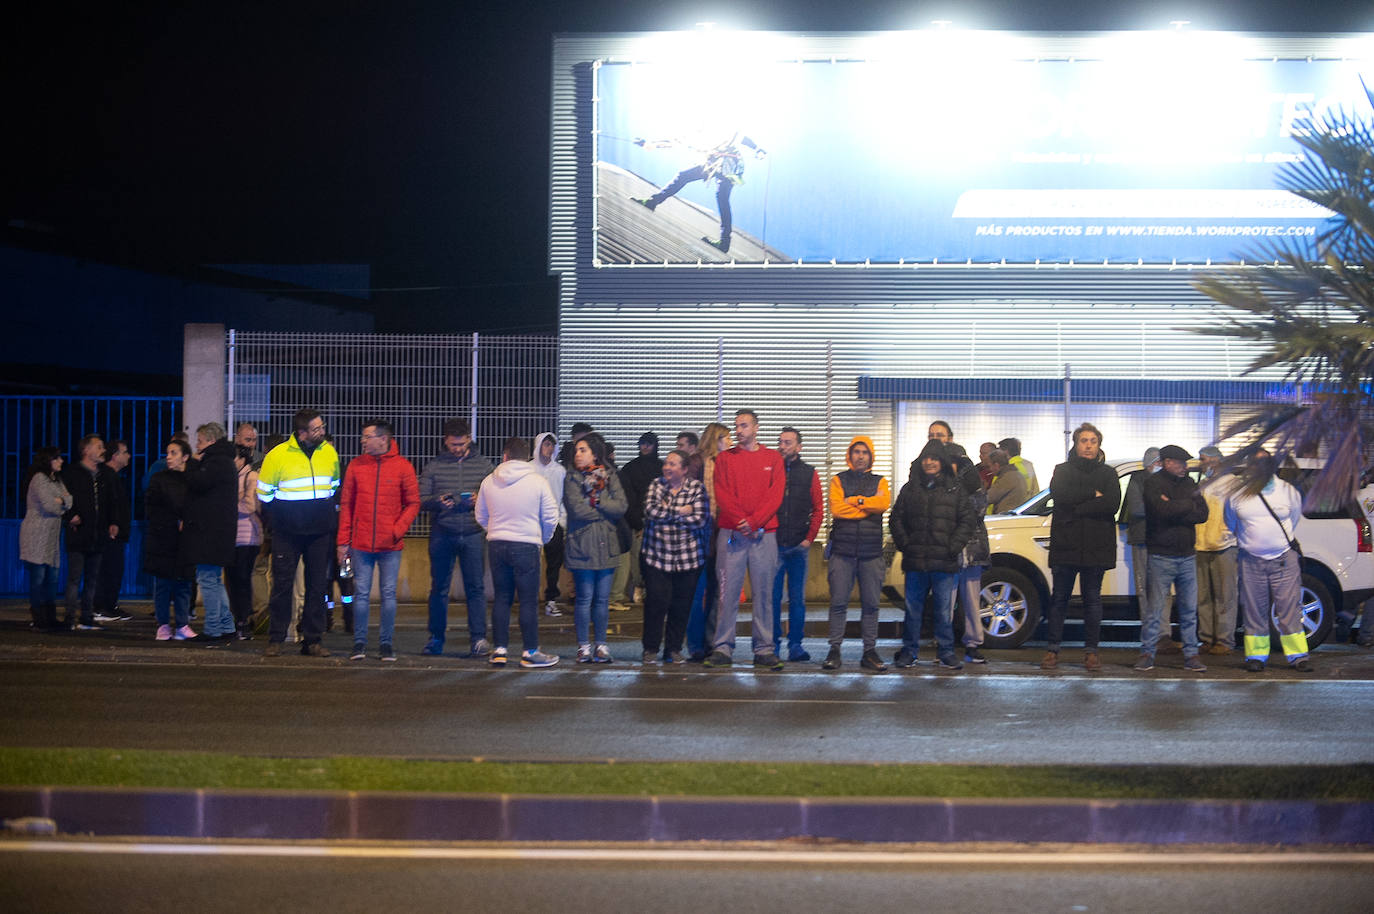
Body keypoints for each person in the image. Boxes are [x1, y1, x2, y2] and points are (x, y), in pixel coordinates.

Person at [705, 410, 785, 670]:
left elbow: (776, 495)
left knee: (764, 593)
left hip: (764, 535)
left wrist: (754, 522)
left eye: (744, 425)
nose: (739, 430)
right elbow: (722, 492)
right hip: (732, 534)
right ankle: (722, 648)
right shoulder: (725, 459)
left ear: (756, 428)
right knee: (727, 594)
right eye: (736, 426)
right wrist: (742, 520)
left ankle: (764, 649)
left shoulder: (773, 458)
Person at [258, 409, 341, 657]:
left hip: (320, 532)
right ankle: (276, 639)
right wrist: (279, 519)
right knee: (282, 585)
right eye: (317, 429)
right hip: (288, 532)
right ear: (302, 433)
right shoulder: (278, 455)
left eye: (322, 426)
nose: (322, 432)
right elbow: (264, 493)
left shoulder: (329, 452)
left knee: (317, 587)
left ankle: (312, 640)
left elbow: (334, 485)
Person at [1040, 423, 1121, 672]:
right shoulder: (1062, 470)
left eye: (1093, 441)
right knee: (1060, 599)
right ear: (1075, 444)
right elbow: (1060, 495)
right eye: (1084, 440)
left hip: (1096, 547)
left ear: (1099, 445)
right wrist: (1092, 495)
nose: (1088, 445)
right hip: (1066, 545)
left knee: (1092, 600)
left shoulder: (1108, 473)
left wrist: (1079, 505)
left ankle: (1091, 652)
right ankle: (1052, 649)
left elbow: (1112, 504)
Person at [338, 420, 420, 662]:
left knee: (388, 594)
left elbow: (413, 503)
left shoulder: (403, 467)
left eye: (367, 437)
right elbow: (346, 506)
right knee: (361, 593)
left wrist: (397, 529)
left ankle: (386, 644)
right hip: (361, 543)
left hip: (390, 544)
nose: (363, 441)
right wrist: (343, 542)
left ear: (383, 439)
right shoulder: (356, 466)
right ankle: (359, 643)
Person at [890, 440, 976, 671]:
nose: (930, 463)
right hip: (915, 560)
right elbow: (896, 519)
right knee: (913, 610)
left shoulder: (955, 490)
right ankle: (909, 652)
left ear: (943, 462)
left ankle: (946, 652)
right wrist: (906, 545)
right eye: (926, 458)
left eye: (935, 459)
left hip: (943, 562)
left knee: (943, 610)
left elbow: (967, 521)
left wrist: (953, 546)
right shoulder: (910, 489)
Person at [476, 435, 561, 668]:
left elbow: (480, 515)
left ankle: (500, 650)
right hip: (526, 545)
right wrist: (541, 538)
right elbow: (551, 516)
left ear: (505, 456)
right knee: (528, 601)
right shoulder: (537, 481)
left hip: (497, 544)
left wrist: (494, 529)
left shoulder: (488, 481)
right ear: (527, 458)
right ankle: (530, 651)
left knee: (502, 597)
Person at [1225, 455, 1314, 672]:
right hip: (1250, 560)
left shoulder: (1287, 491)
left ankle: (1298, 657)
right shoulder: (1237, 493)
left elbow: (1294, 518)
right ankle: (1256, 657)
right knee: (1254, 610)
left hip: (1283, 558)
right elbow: (1231, 521)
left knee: (1289, 609)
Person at [418, 418, 494, 656]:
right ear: (445, 441)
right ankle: (436, 638)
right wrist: (437, 501)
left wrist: (479, 498)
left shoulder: (484, 466)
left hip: (473, 533)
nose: (458, 448)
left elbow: (496, 495)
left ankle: (479, 639)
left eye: (461, 444)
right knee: (439, 588)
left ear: (469, 439)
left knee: (476, 588)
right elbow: (421, 499)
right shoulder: (434, 466)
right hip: (443, 533)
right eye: (453, 444)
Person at [631, 131, 768, 253]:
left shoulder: (719, 134)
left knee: (721, 197)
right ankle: (653, 202)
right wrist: (648, 144)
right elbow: (673, 143)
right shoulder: (692, 137)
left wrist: (757, 148)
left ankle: (725, 241)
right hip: (713, 164)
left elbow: (741, 137)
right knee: (686, 177)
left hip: (728, 163)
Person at [821, 436, 891, 672]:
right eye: (856, 452)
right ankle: (834, 650)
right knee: (838, 603)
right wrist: (866, 508)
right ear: (849, 455)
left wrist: (856, 501)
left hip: (871, 554)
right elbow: (837, 509)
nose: (860, 456)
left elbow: (883, 505)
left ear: (871, 456)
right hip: (843, 552)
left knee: (871, 605)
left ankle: (869, 651)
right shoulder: (837, 480)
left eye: (864, 452)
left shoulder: (880, 481)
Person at [1138, 444, 1209, 673]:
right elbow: (1160, 511)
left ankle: (1191, 655)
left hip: (1187, 555)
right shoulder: (1153, 483)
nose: (1185, 467)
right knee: (1155, 609)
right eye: (1180, 463)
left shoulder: (1190, 483)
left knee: (1189, 610)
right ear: (1167, 462)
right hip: (1161, 555)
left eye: (1185, 463)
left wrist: (1175, 506)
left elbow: (1203, 513)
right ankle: (1147, 653)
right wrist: (1186, 506)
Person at [563, 432, 628, 663]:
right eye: (576, 450)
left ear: (594, 453)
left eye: (583, 450)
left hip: (606, 544)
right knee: (584, 598)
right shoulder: (572, 478)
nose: (578, 454)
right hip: (582, 544)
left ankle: (601, 645)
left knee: (602, 599)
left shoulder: (610, 475)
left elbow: (621, 506)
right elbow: (576, 509)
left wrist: (598, 502)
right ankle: (584, 646)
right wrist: (602, 511)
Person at [640, 449, 708, 663]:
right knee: (656, 603)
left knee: (681, 605)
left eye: (673, 464)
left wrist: (668, 512)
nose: (667, 467)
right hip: (657, 557)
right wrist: (681, 512)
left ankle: (674, 649)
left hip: (688, 559)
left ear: (685, 469)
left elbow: (700, 519)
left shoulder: (697, 488)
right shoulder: (656, 485)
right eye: (666, 463)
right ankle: (650, 648)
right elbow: (651, 512)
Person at [181, 422, 238, 641]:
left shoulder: (215, 463)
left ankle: (213, 628)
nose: (197, 445)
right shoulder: (225, 461)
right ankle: (226, 625)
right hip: (219, 533)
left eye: (200, 441)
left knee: (207, 580)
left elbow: (198, 483)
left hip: (210, 533)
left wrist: (191, 465)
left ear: (211, 441)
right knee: (213, 579)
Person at [772, 426, 822, 662]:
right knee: (771, 598)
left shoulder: (810, 473)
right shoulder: (771, 470)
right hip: (773, 544)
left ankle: (795, 646)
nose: (782, 446)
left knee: (797, 599)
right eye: (781, 442)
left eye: (788, 442)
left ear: (799, 447)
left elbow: (819, 509)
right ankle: (771, 646)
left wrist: (808, 538)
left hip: (798, 547)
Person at [685, 421, 731, 660]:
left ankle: (712, 641)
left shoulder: (726, 464)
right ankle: (695, 645)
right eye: (727, 438)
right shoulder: (697, 463)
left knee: (716, 591)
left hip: (720, 535)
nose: (730, 443)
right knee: (697, 591)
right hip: (699, 535)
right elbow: (689, 497)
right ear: (716, 439)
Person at [61, 434, 115, 631]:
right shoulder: (72, 473)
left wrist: (112, 522)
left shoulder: (103, 474)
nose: (103, 450)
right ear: (86, 450)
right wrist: (70, 516)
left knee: (92, 579)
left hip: (97, 534)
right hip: (79, 533)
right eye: (98, 446)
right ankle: (69, 618)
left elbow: (109, 501)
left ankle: (86, 616)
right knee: (75, 578)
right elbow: (62, 498)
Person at [143, 439, 196, 641]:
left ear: (185, 457)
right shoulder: (158, 479)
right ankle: (163, 624)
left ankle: (182, 624)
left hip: (185, 540)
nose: (169, 457)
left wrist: (187, 520)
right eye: (168, 452)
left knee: (184, 583)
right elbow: (152, 507)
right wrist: (174, 521)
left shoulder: (192, 480)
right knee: (163, 583)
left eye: (174, 453)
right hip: (163, 538)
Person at [19, 447, 72, 632]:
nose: (61, 461)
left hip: (51, 535)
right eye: (57, 458)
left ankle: (50, 616)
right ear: (48, 460)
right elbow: (49, 505)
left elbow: (69, 499)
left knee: (52, 577)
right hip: (37, 534)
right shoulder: (39, 479)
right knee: (39, 577)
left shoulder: (56, 480)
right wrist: (61, 503)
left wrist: (61, 501)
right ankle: (38, 617)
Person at [947, 443, 991, 665]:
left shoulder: (971, 480)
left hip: (970, 548)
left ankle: (973, 643)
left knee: (970, 598)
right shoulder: (946, 480)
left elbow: (979, 508)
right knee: (948, 597)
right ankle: (946, 645)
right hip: (952, 547)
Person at [1195, 445, 1239, 655]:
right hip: (1201, 546)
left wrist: (1228, 535)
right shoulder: (1203, 484)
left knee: (1224, 596)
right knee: (1204, 597)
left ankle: (1224, 640)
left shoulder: (1232, 484)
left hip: (1224, 547)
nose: (1201, 464)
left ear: (1217, 461)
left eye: (1204, 460)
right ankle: (1207, 638)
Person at [1122, 447, 1164, 650]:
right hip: (1142, 538)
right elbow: (1137, 508)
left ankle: (1163, 633)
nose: (1160, 466)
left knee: (1161, 589)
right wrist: (1162, 505)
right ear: (1150, 464)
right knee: (1146, 589)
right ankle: (1151, 633)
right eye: (1158, 462)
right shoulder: (1138, 480)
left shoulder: (1163, 479)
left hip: (1161, 539)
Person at [616, 432, 664, 607]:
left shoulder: (662, 468)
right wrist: (637, 522)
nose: (645, 447)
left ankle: (652, 589)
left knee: (657, 557)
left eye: (649, 444)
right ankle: (638, 587)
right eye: (642, 443)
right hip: (637, 522)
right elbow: (627, 498)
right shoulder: (630, 468)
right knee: (637, 558)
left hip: (659, 522)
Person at [92, 439, 132, 624]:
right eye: (125, 452)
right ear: (115, 456)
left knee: (115, 570)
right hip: (110, 533)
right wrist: (112, 524)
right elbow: (108, 505)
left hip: (117, 533)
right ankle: (101, 607)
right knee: (108, 570)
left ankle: (110, 604)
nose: (128, 456)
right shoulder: (107, 476)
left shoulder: (113, 476)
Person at [227, 443, 261, 640]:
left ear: (242, 459)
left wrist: (233, 498)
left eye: (234, 458)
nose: (232, 462)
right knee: (232, 580)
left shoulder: (251, 476)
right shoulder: (232, 478)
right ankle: (237, 618)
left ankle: (244, 620)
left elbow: (249, 505)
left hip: (248, 537)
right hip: (232, 538)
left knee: (242, 580)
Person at [531, 432, 567, 616]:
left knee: (554, 563)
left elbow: (562, 498)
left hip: (554, 522)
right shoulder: (529, 469)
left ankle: (550, 600)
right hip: (532, 523)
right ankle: (529, 599)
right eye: (545, 444)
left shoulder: (559, 471)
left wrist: (562, 521)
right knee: (531, 563)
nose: (549, 448)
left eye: (552, 445)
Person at [985, 448, 1029, 514]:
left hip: (1006, 517)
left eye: (989, 466)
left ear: (996, 465)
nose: (990, 470)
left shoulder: (1007, 477)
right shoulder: (1016, 474)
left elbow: (989, 497)